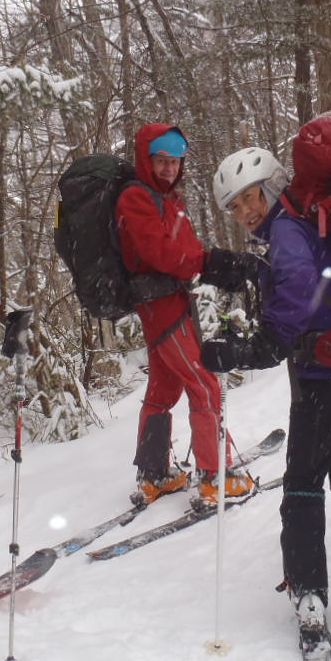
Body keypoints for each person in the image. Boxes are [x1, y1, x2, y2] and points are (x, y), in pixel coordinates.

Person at [200, 147, 331, 640]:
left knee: (304, 482)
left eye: (250, 197)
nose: (246, 211)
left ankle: (309, 592)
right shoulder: (307, 219)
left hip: (326, 372)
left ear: (272, 185)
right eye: (235, 206)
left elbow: (301, 281)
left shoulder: (288, 228)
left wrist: (261, 344)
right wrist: (254, 271)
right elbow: (314, 275)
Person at [116, 123, 258, 507]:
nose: (168, 168)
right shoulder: (136, 197)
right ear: (147, 160)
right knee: (206, 385)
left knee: (165, 390)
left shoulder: (168, 199)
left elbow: (184, 250)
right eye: (161, 161)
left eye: (174, 161)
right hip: (161, 305)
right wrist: (210, 262)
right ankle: (216, 477)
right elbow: (160, 253)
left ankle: (155, 474)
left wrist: (212, 265)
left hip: (169, 301)